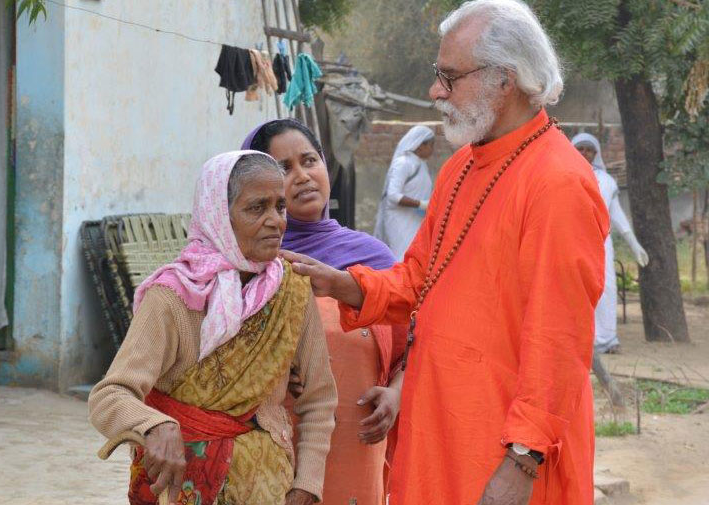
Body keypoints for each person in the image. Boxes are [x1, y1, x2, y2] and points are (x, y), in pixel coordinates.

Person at [281, 1, 610, 504]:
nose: (435, 91)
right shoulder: (460, 169)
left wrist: (522, 462)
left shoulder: (557, 182)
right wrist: (345, 283)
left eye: (449, 77)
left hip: (504, 448)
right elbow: (417, 277)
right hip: (441, 428)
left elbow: (559, 341)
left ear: (505, 79)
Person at [88, 151, 337, 505]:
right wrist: (155, 426)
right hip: (179, 486)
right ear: (218, 214)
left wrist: (308, 484)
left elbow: (319, 397)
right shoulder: (173, 297)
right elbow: (109, 396)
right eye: (256, 208)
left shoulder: (292, 290)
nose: (275, 221)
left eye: (280, 207)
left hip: (267, 485)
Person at [243, 118, 406, 505]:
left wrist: (397, 394)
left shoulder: (374, 259)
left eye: (309, 160)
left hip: (357, 442)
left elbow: (413, 345)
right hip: (272, 448)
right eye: (283, 168)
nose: (301, 176)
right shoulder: (247, 264)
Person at [571, 133, 649, 354]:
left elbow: (618, 217)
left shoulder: (606, 182)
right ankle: (577, 338)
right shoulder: (562, 174)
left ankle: (606, 338)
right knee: (575, 288)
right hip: (570, 241)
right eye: (580, 149)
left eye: (589, 150)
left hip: (601, 242)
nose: (584, 153)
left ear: (596, 154)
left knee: (606, 287)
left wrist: (634, 245)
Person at [374, 125, 436, 259]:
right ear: (420, 145)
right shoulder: (403, 163)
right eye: (431, 145)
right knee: (402, 257)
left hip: (415, 219)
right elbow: (393, 196)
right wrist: (421, 204)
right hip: (399, 220)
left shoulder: (421, 165)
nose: (432, 149)